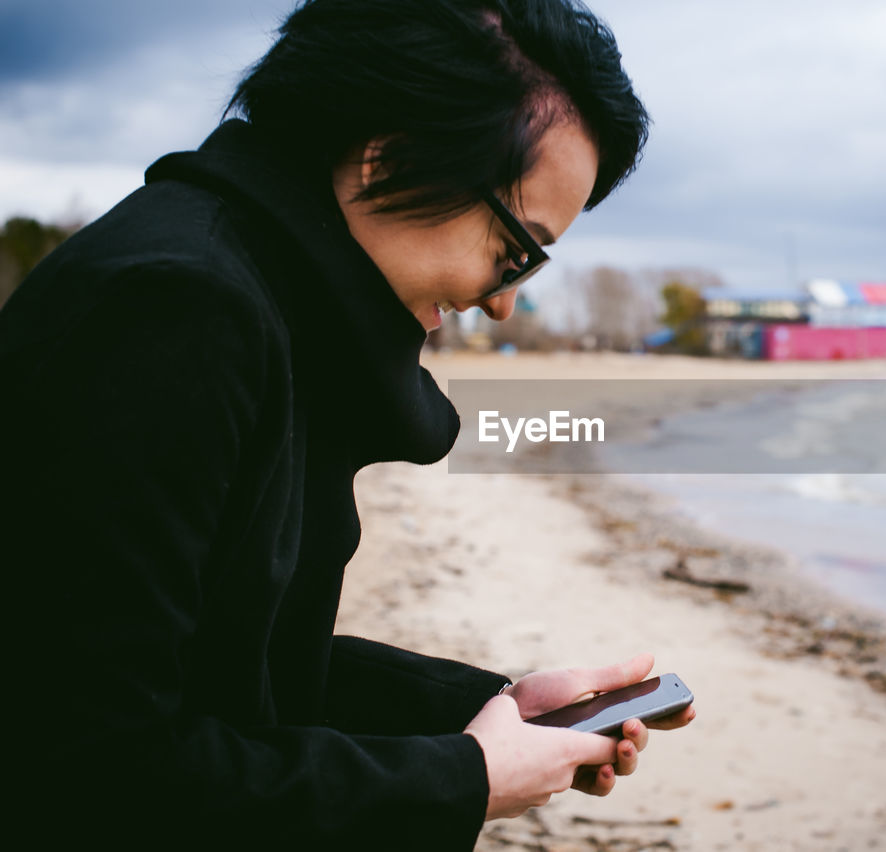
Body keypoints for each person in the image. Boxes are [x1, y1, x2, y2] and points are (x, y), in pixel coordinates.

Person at [0, 0, 692, 846]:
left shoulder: (268, 304)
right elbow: (89, 765)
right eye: (514, 250)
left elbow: (231, 667)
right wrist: (463, 779)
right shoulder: (173, 309)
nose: (506, 302)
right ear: (388, 158)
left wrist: (484, 711)